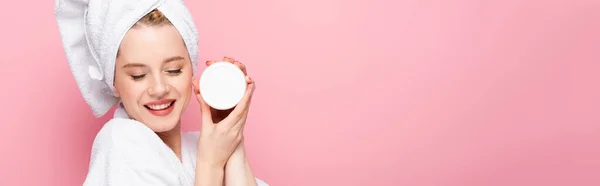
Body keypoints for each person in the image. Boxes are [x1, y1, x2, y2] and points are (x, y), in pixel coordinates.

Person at [54, 0, 268, 185]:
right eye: (138, 75)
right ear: (114, 82)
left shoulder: (198, 147)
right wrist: (210, 164)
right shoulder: (121, 143)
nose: (159, 88)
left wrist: (231, 132)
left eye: (173, 70)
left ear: (192, 69)